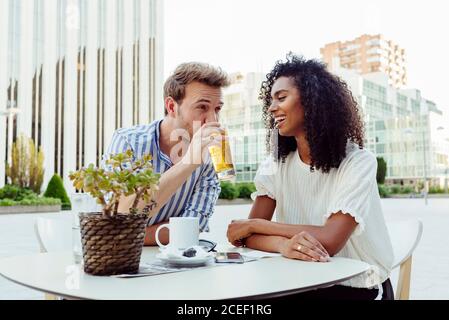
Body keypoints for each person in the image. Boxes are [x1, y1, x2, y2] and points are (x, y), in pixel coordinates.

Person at [226, 54, 394, 300]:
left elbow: (329, 241)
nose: (272, 108)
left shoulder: (358, 162)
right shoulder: (276, 163)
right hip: (301, 280)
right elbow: (246, 238)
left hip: (359, 285)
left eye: (281, 98)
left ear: (313, 102)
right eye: (270, 101)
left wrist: (255, 225)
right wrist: (284, 245)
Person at [103, 62, 230, 245]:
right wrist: (188, 163)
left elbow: (193, 228)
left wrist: (132, 234)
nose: (213, 119)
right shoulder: (128, 141)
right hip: (119, 259)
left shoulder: (211, 156)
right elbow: (119, 219)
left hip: (175, 264)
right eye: (202, 107)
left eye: (217, 109)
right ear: (171, 107)